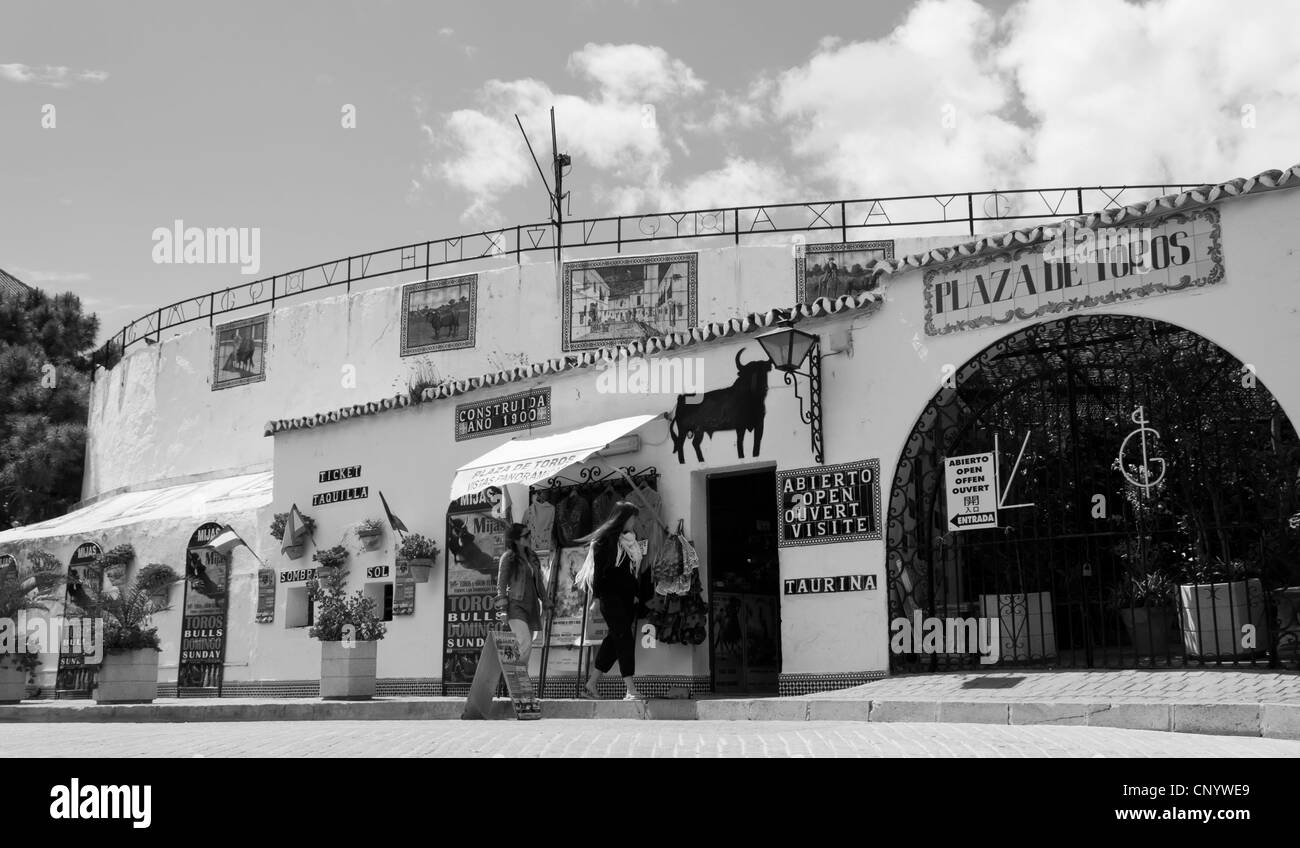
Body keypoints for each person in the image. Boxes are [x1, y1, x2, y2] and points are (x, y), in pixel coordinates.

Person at [576, 502, 645, 700]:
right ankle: (630, 688)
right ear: (623, 518)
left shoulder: (632, 541)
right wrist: (596, 599)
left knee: (614, 641)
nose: (635, 522)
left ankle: (590, 685)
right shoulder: (604, 540)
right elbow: (598, 573)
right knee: (624, 638)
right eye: (633, 517)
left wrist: (635, 593)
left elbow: (631, 573)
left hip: (627, 599)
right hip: (609, 597)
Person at [494, 524, 551, 669]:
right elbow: (501, 585)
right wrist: (503, 610)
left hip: (532, 606)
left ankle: (517, 680)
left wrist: (546, 601)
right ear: (516, 540)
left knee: (525, 646)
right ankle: (515, 674)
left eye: (529, 533)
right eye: (526, 536)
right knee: (525, 642)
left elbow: (539, 582)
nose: (530, 537)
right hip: (515, 605)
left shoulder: (532, 556)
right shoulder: (508, 557)